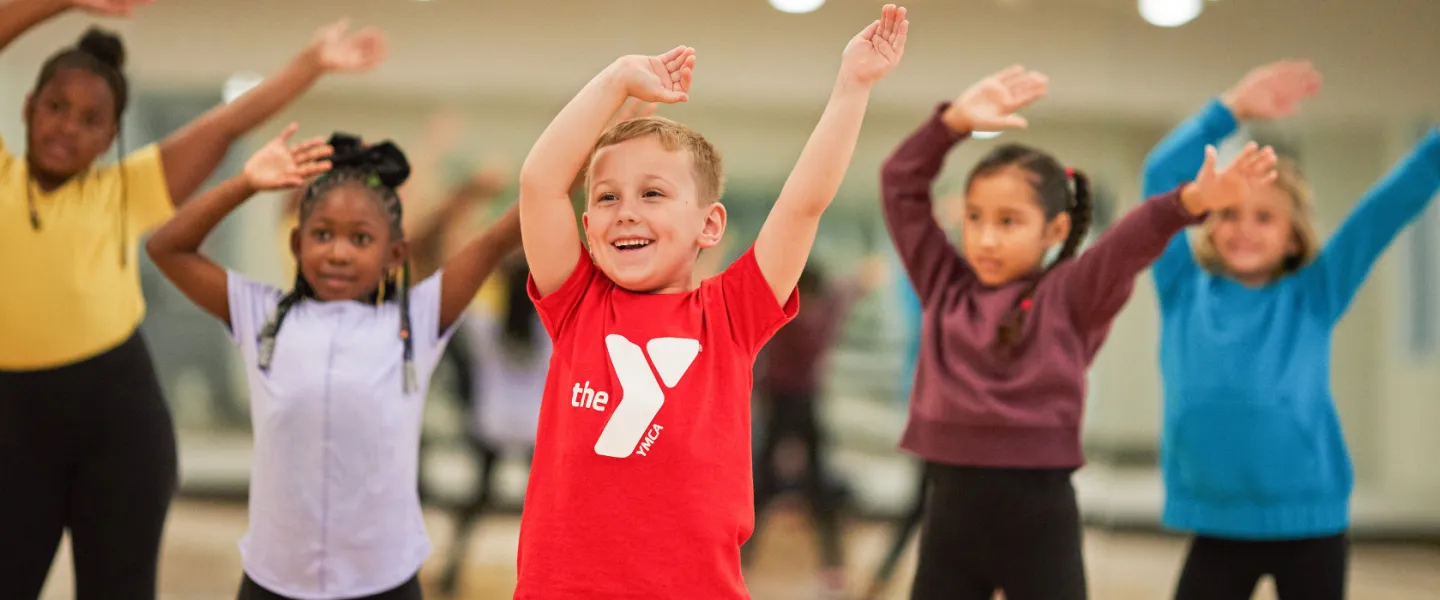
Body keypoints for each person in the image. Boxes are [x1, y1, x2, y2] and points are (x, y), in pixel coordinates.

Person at [512, 5, 908, 598]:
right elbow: (540, 183)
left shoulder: (730, 314)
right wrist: (617, 78)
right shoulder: (575, 302)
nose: (627, 210)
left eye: (652, 193)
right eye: (608, 196)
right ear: (588, 224)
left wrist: (853, 87)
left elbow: (802, 205)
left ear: (710, 224)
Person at [0, 1, 386, 596]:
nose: (67, 126)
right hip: (14, 421)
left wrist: (311, 64)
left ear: (110, 137)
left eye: (90, 118)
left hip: (116, 423)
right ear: (27, 108)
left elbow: (228, 124)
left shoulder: (123, 191)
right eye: (55, 107)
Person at [882, 65, 1278, 600]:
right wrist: (951, 123)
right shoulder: (942, 282)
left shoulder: (1069, 295)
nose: (986, 239)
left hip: (1039, 520)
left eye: (1008, 221)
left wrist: (1188, 203)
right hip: (950, 515)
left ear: (1057, 229)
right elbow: (900, 183)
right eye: (974, 218)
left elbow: (1126, 243)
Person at [145, 127, 522, 600]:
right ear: (297, 243)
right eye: (323, 235)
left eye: (361, 239)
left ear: (394, 255)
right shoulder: (258, 314)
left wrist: (579, 164)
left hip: (383, 583)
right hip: (274, 583)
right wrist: (247, 183)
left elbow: (494, 239)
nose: (338, 251)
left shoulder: (417, 319)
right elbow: (166, 246)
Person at [1143, 60, 1440, 600]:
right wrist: (1227, 111)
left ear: (1293, 232)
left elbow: (1385, 210)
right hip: (1217, 523)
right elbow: (1159, 180)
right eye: (1229, 213)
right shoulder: (1182, 285)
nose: (1243, 230)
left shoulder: (1313, 293)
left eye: (1264, 217)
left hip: (1311, 524)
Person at [744, 256, 885, 596]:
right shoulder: (816, 309)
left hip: (796, 401)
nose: (805, 306)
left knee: (802, 483)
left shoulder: (806, 309)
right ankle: (745, 554)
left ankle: (826, 561)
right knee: (771, 482)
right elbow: (849, 287)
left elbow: (850, 286)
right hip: (786, 400)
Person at [435, 256, 551, 598]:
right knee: (549, 512)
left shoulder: (483, 324)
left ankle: (452, 568)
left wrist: (491, 268)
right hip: (536, 433)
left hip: (491, 428)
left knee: (476, 503)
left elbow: (450, 300)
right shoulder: (549, 329)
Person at [860, 267, 926, 600]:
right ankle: (882, 577)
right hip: (932, 421)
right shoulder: (930, 307)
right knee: (922, 505)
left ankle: (882, 577)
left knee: (923, 506)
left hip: (937, 421)